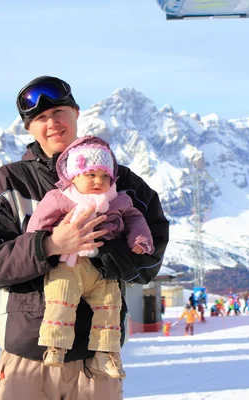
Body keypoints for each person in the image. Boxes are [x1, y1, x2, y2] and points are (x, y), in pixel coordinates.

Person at [0, 76, 169, 399]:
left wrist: (100, 247)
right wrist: (49, 245)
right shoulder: (8, 183)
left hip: (98, 359)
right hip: (29, 357)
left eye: (59, 111)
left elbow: (150, 260)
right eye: (40, 118)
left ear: (76, 112)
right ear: (28, 128)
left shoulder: (123, 182)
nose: (52, 123)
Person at [25, 136, 155, 377]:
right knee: (61, 299)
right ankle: (55, 346)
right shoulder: (60, 198)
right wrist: (39, 243)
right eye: (91, 175)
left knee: (110, 304)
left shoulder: (119, 200)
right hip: (68, 264)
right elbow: (37, 223)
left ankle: (107, 354)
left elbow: (136, 218)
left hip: (102, 269)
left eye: (105, 176)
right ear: (73, 176)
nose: (99, 181)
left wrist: (139, 239)